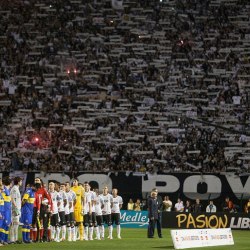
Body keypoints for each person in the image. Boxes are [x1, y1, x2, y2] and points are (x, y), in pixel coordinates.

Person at [10, 177, 22, 243]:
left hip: (17, 208)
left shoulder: (16, 188)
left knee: (16, 224)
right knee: (14, 224)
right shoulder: (14, 189)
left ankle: (15, 239)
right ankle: (13, 239)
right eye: (21, 181)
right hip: (15, 209)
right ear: (18, 181)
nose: (21, 182)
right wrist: (16, 208)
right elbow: (12, 199)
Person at [1, 177, 12, 244]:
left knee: (7, 225)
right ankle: (1, 239)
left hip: (8, 210)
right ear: (10, 184)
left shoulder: (7, 190)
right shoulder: (4, 190)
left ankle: (5, 239)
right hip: (4, 211)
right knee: (4, 225)